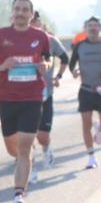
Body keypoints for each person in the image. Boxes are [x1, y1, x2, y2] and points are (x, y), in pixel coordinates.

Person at [0, 0, 51, 203]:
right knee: (13, 148)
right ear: (12, 12)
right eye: (17, 9)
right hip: (7, 99)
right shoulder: (0, 36)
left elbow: (48, 61)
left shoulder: (41, 37)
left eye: (25, 10)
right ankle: (25, 155)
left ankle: (18, 196)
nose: (21, 13)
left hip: (32, 97)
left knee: (23, 146)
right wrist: (2, 66)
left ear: (31, 14)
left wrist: (44, 66)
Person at [69, 16, 101, 169]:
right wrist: (74, 71)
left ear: (99, 28)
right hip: (86, 90)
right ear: (85, 28)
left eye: (95, 25)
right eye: (89, 25)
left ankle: (98, 128)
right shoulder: (79, 46)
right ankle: (91, 157)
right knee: (86, 124)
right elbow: (72, 64)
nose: (92, 28)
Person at [30, 12, 69, 174]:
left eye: (35, 21)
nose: (32, 24)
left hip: (45, 94)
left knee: (42, 136)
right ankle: (29, 171)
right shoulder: (16, 40)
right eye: (30, 21)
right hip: (24, 94)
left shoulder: (51, 41)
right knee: (27, 134)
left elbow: (65, 58)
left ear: (41, 24)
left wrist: (58, 76)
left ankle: (46, 149)